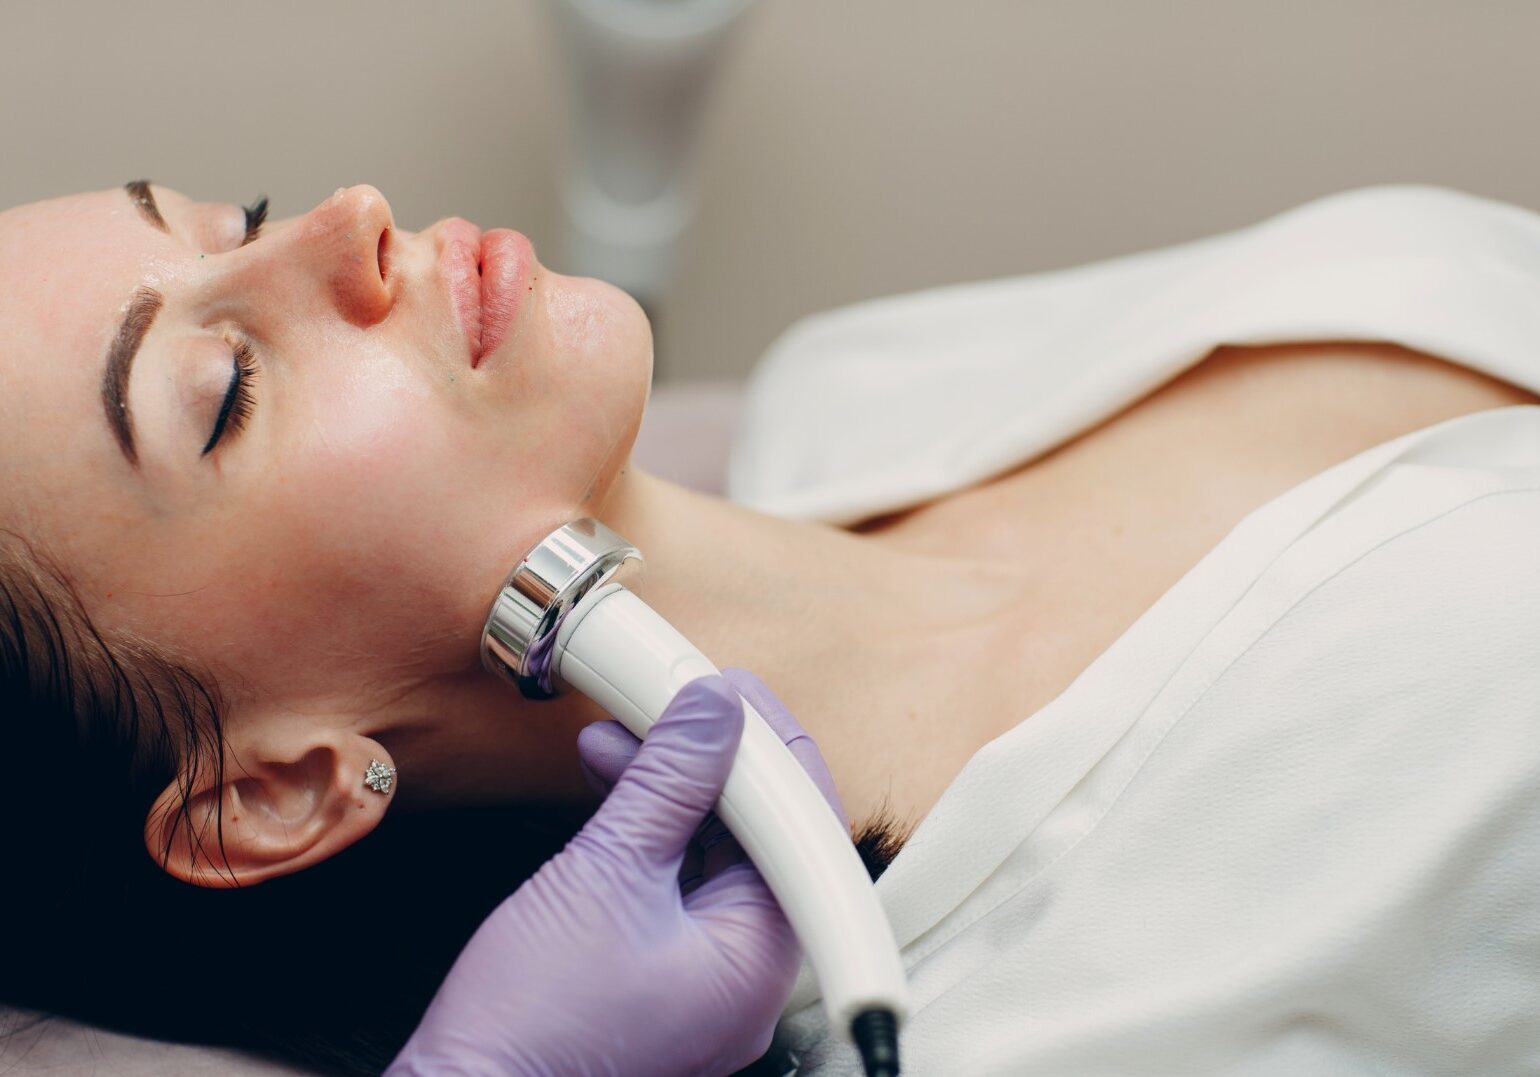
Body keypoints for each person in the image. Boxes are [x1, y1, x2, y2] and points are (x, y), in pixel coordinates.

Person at [2, 179, 1538, 1074]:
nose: (351, 222)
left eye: (235, 218)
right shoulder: (1039, 1010)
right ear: (272, 786)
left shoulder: (861, 379)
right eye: (223, 392)